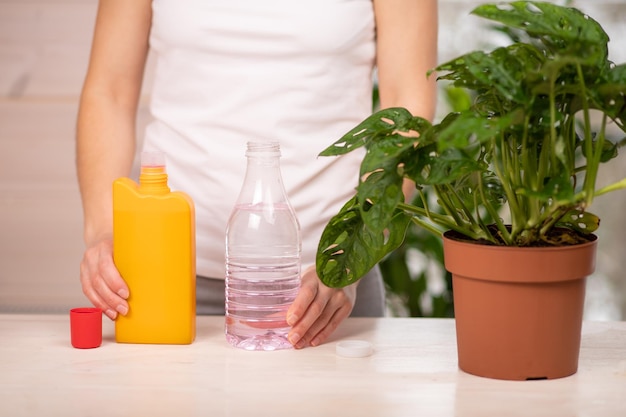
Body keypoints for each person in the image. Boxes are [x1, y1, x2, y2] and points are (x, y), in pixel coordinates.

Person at [76, 0, 438, 349]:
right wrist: (104, 232)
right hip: (160, 278)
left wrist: (353, 254)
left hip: (324, 293)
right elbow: (110, 92)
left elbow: (406, 106)